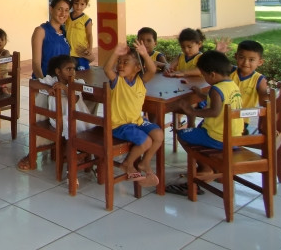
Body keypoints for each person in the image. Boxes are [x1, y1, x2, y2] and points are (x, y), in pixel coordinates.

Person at [17, 0, 71, 171]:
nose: (63, 13)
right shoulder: (41, 31)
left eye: (66, 10)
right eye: (59, 9)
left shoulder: (65, 32)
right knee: (42, 118)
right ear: (51, 9)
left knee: (78, 104)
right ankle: (34, 151)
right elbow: (36, 63)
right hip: (43, 82)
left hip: (60, 84)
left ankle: (66, 147)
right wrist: (45, 85)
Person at [176, 50, 243, 182]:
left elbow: (214, 111)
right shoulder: (232, 85)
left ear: (212, 74)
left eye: (204, 75)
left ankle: (205, 167)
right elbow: (219, 101)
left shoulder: (215, 89)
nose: (205, 79)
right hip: (235, 137)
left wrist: (191, 111)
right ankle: (214, 167)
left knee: (182, 134)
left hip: (217, 137)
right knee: (199, 128)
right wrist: (200, 94)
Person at [104, 41, 163, 187]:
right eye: (119, 62)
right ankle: (127, 163)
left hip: (137, 121)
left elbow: (152, 69)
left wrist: (144, 54)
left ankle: (144, 163)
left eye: (125, 62)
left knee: (158, 135)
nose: (120, 65)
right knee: (146, 141)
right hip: (119, 124)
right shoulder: (117, 81)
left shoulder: (141, 81)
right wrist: (116, 53)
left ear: (137, 68)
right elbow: (107, 69)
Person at [40, 55, 93, 140]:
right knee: (69, 127)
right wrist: (47, 88)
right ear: (58, 71)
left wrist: (65, 88)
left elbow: (74, 100)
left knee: (83, 129)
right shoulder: (52, 81)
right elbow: (32, 83)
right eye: (68, 69)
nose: (72, 72)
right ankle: (69, 150)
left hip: (77, 119)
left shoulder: (77, 83)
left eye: (74, 69)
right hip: (57, 120)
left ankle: (73, 150)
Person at [230, 40, 268, 133]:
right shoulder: (228, 71)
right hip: (221, 116)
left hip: (241, 121)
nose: (246, 63)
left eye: (251, 60)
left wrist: (266, 126)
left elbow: (265, 105)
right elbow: (213, 66)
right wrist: (219, 52)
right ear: (236, 57)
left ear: (260, 62)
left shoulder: (259, 80)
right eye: (242, 57)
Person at [65, 0, 94, 70]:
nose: (78, 7)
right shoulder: (67, 17)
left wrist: (90, 48)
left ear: (86, 5)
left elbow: (89, 35)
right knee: (71, 74)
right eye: (76, 3)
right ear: (72, 3)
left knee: (83, 74)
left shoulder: (86, 19)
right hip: (69, 53)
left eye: (82, 4)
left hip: (81, 53)